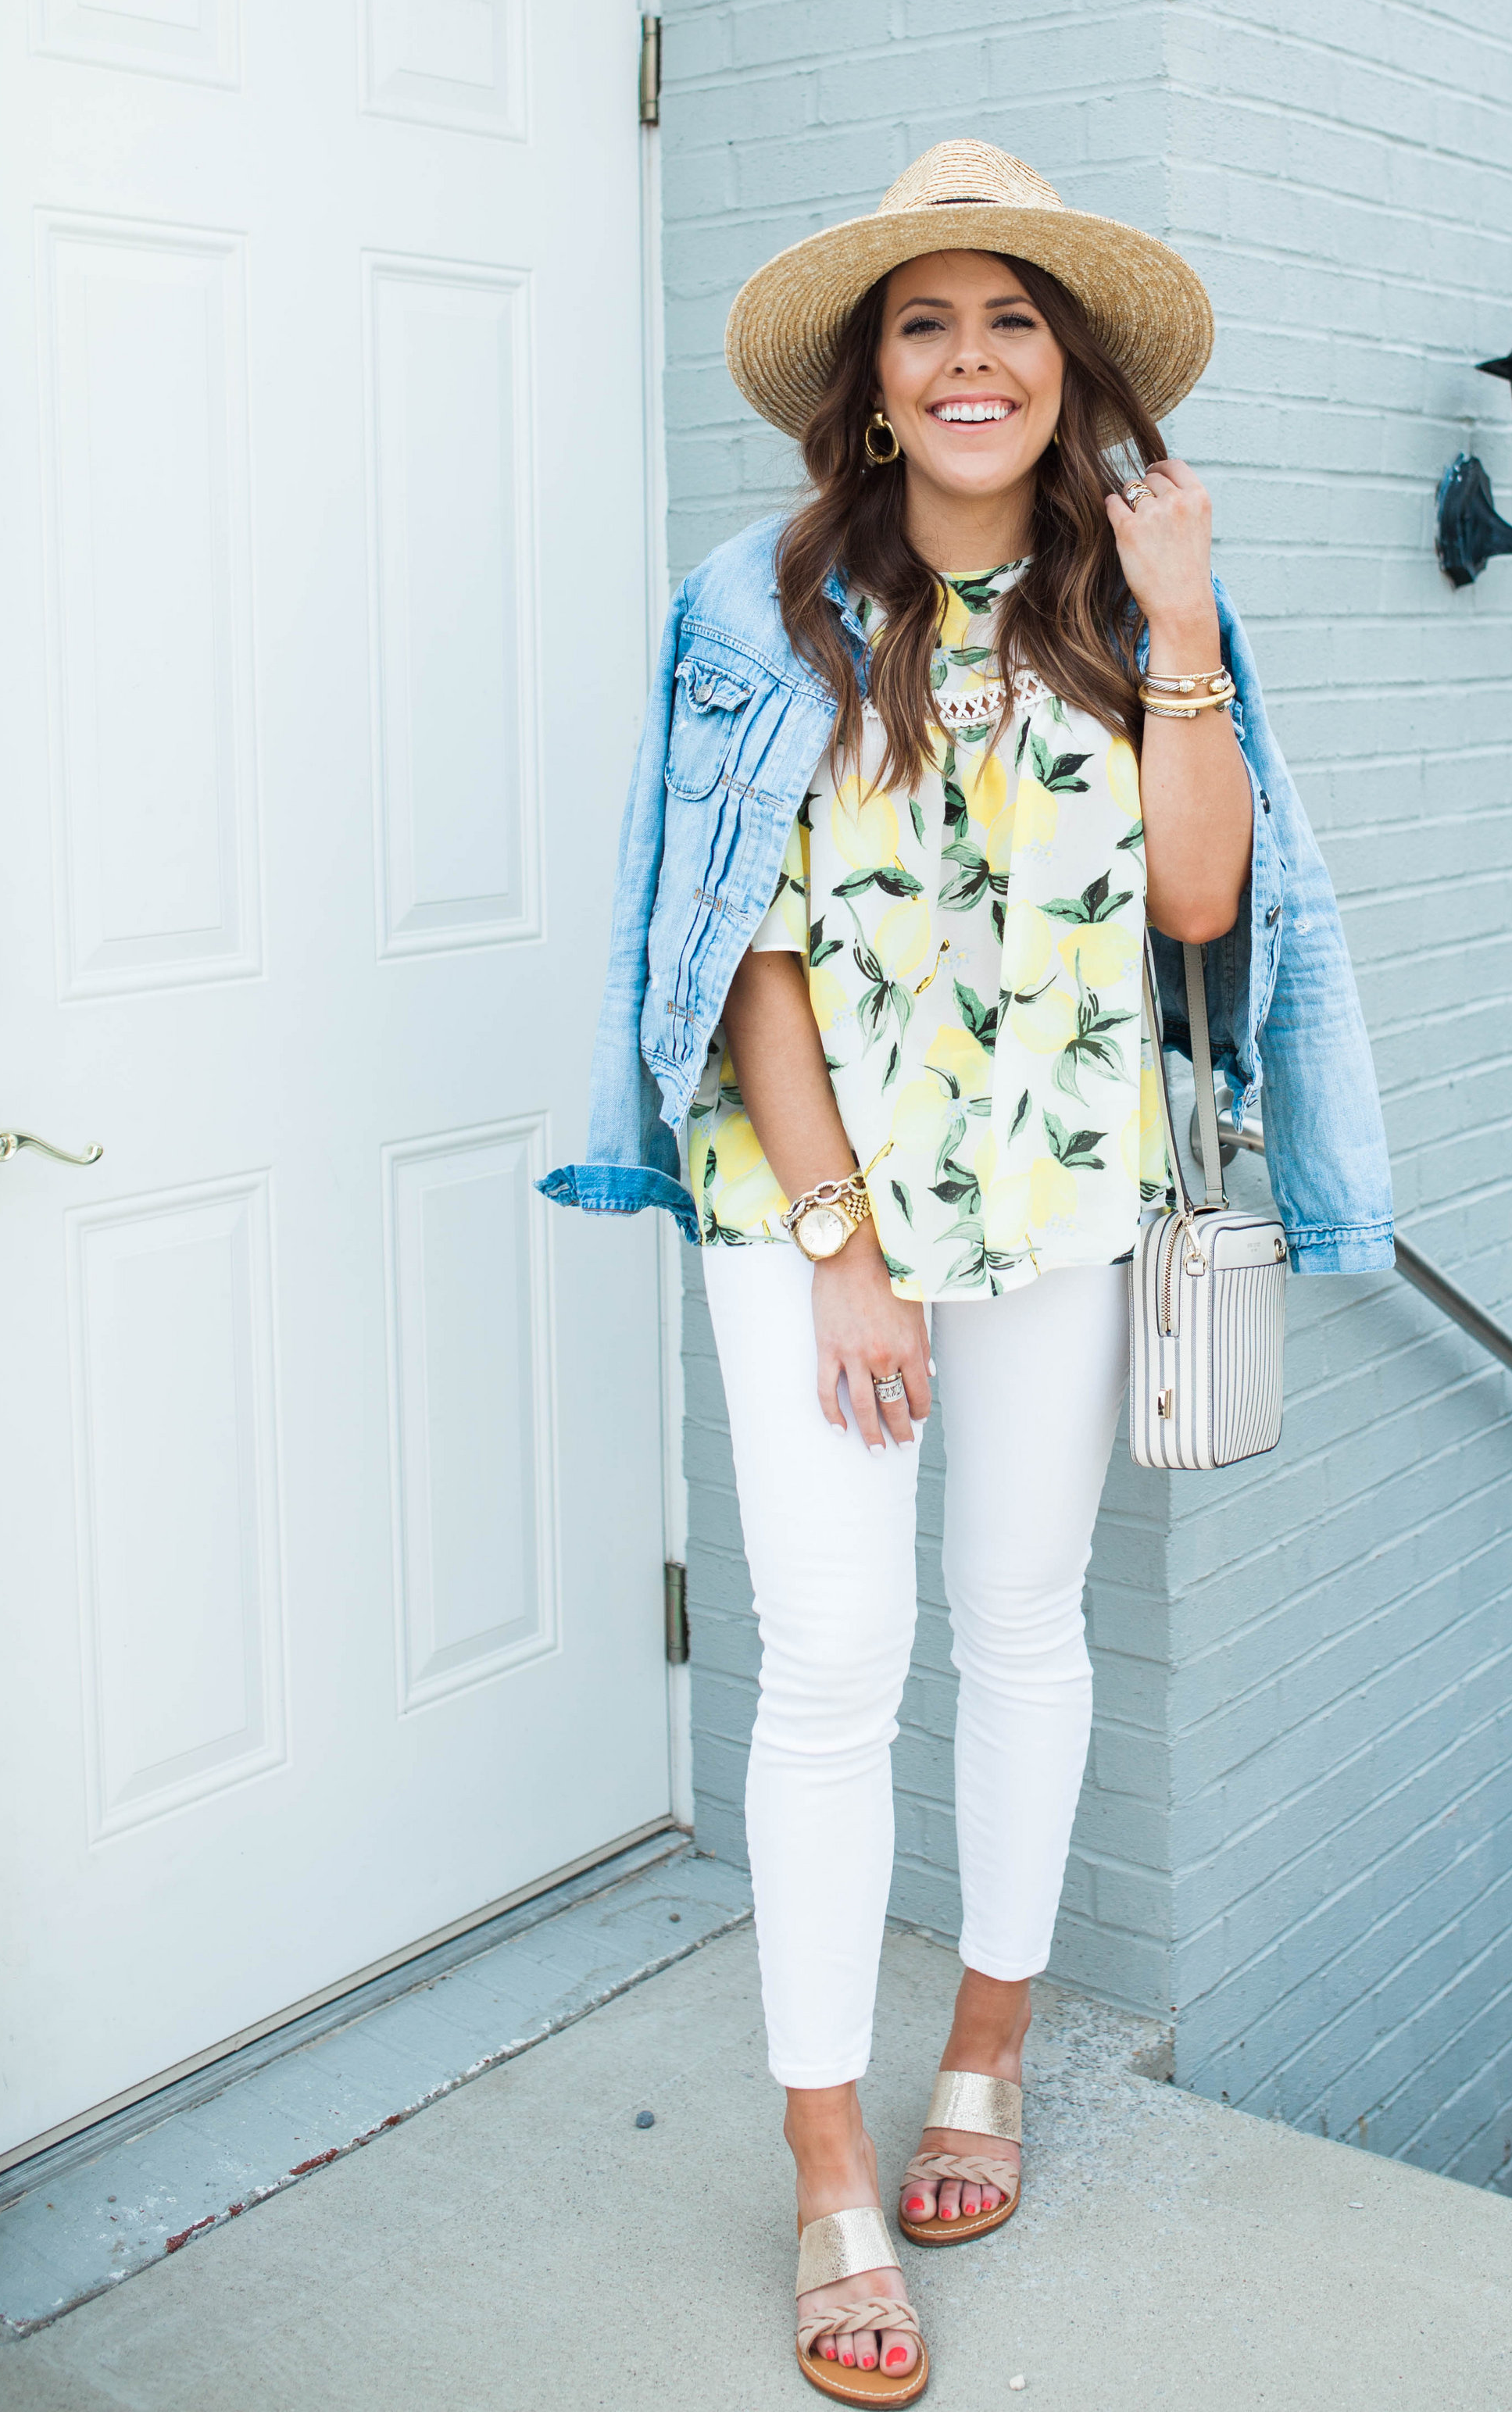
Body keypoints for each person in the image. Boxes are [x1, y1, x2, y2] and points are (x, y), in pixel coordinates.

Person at [542, 141, 1392, 2403]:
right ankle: (828, 2164)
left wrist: (1188, 630)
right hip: (811, 1212)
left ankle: (982, 2056)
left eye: (1009, 320)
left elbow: (1206, 916)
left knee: (1023, 1628)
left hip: (1062, 1205)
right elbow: (731, 940)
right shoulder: (757, 605)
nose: (970, 358)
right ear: (869, 381)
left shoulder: (1134, 605)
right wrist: (837, 1244)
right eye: (923, 324)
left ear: (1069, 368)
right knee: (832, 1658)